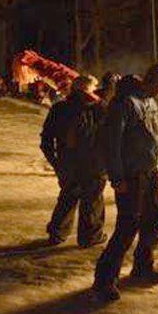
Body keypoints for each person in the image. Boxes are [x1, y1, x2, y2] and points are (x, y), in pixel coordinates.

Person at [93, 63, 158, 302]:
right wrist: (117, 177)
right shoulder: (125, 103)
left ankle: (142, 266)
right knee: (128, 226)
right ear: (156, 83)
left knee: (155, 216)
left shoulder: (150, 102)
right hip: (130, 175)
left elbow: (151, 137)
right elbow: (112, 142)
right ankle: (105, 280)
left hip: (149, 172)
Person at [40, 74, 108, 247]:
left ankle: (57, 233)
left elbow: (46, 139)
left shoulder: (60, 108)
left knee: (67, 198)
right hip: (93, 165)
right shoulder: (100, 108)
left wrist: (56, 163)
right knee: (92, 201)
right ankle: (90, 236)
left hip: (68, 163)